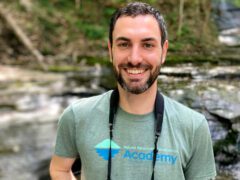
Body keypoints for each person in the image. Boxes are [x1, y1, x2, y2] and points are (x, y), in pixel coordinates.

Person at [49, 2, 216, 180]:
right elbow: (59, 169)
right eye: (124, 44)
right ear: (110, 50)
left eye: (147, 45)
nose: (134, 58)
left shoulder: (194, 126)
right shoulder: (76, 116)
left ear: (164, 51)